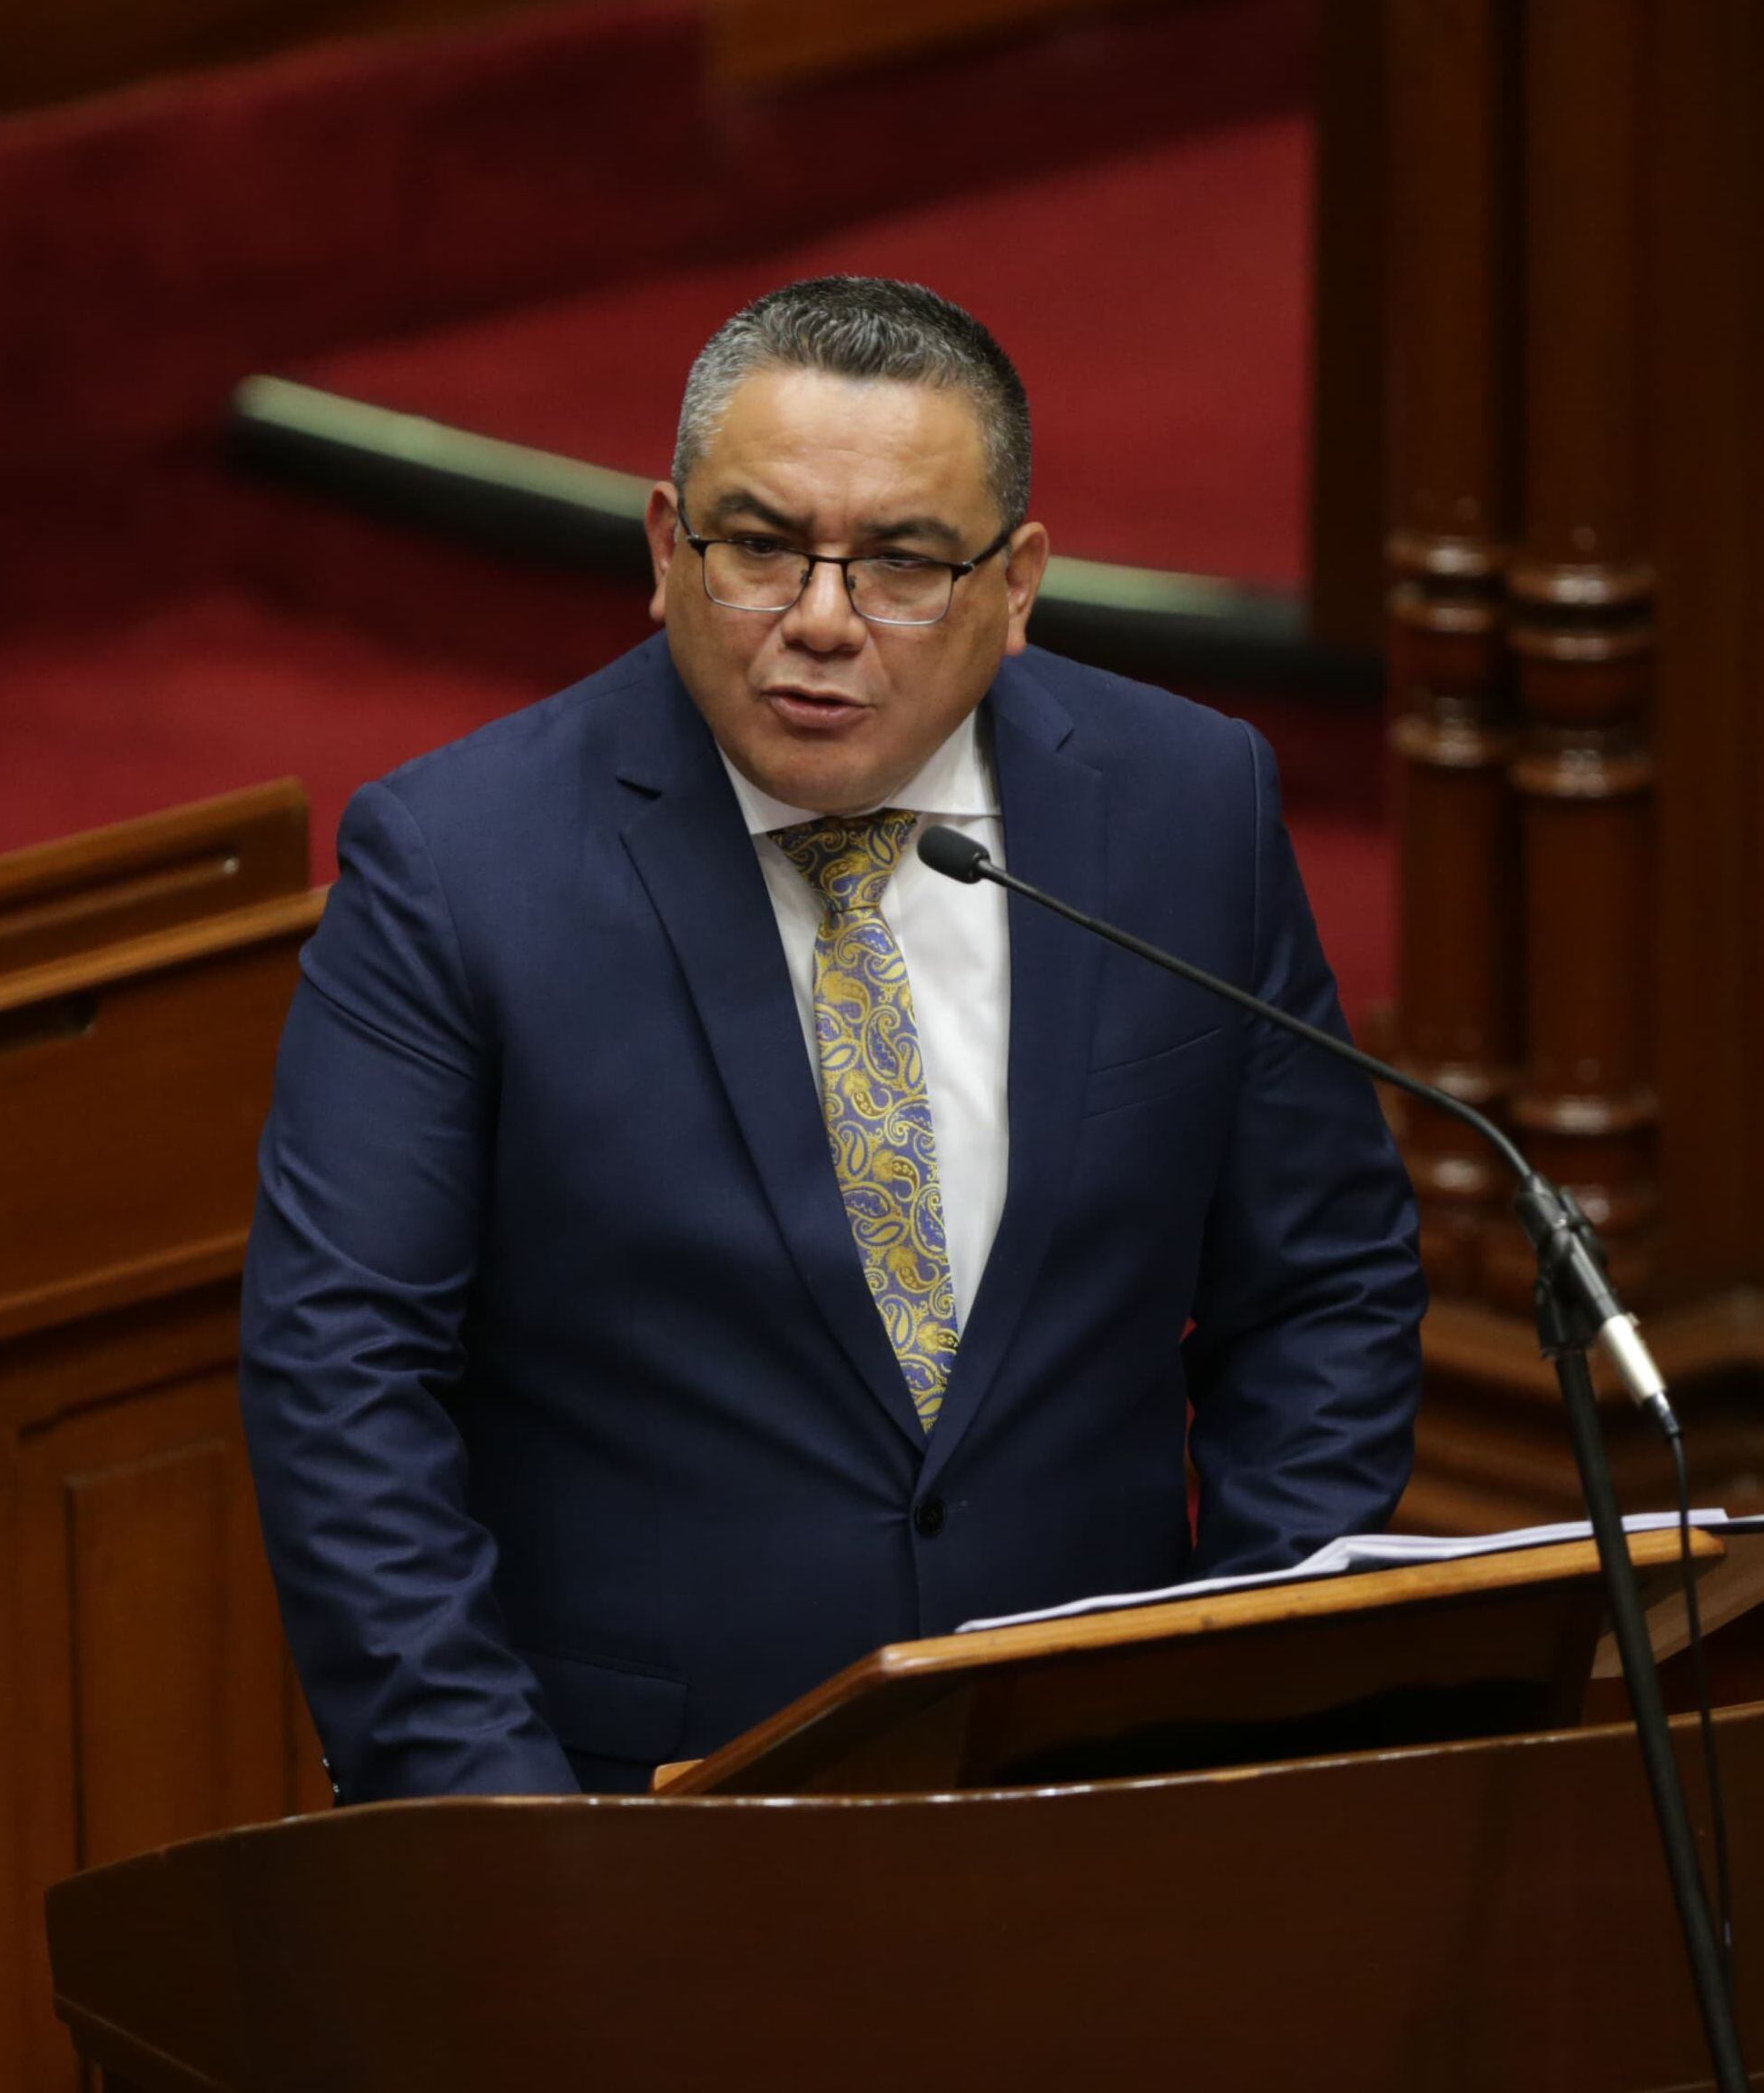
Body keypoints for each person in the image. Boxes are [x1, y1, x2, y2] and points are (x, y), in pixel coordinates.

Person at [240, 276, 1424, 1802]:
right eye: (758, 547)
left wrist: (1240, 1702)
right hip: (646, 1820)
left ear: (1016, 585)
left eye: (902, 565)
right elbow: (341, 1383)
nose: (816, 620)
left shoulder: (1185, 807)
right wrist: (514, 1840)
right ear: (664, 548)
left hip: (1100, 1798)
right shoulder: (457, 868)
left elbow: (1324, 1284)